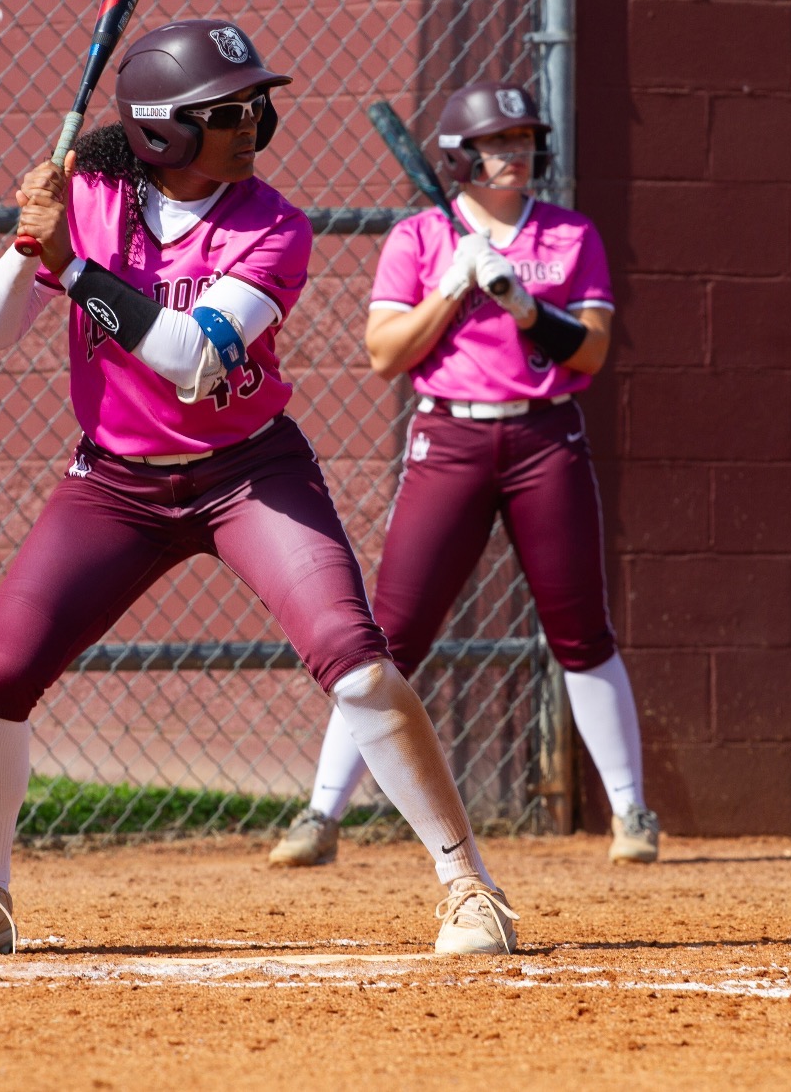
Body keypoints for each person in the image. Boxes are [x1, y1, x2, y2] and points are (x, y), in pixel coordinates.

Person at [0, 19, 517, 957]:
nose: (252, 123)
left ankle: (469, 887)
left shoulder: (273, 222)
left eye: (256, 107)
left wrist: (74, 269)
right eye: (226, 111)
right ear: (162, 129)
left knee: (357, 660)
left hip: (248, 471)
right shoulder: (89, 196)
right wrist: (23, 245)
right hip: (114, 483)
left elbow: (193, 360)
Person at [269, 81, 660, 870]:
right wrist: (453, 285)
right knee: (389, 634)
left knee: (580, 629)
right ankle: (320, 814)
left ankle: (632, 814)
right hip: (448, 438)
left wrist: (521, 303)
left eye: (522, 141)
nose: (514, 155)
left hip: (545, 438)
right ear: (459, 156)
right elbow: (387, 353)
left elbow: (589, 351)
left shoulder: (569, 234)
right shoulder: (418, 237)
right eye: (496, 142)